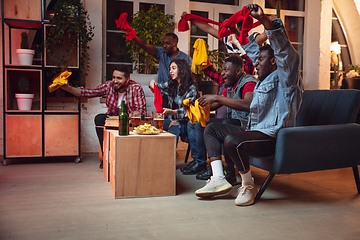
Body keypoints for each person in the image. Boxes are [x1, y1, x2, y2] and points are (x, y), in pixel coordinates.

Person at [195, 4, 303, 206]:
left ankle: (248, 185)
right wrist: (244, 26)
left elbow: (285, 52)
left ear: (274, 62)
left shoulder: (285, 78)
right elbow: (251, 49)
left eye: (261, 59)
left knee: (232, 140)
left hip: (274, 136)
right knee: (212, 129)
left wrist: (265, 21)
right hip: (256, 130)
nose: (257, 63)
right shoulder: (264, 77)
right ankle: (218, 178)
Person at [61, 64, 147, 169]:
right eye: (114, 77)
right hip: (112, 118)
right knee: (99, 118)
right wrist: (68, 88)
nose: (115, 81)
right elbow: (88, 92)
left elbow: (141, 111)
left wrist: (132, 115)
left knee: (140, 120)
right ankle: (106, 155)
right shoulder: (109, 86)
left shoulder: (136, 88)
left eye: (119, 78)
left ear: (127, 80)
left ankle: (132, 157)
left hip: (129, 119)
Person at [187, 54, 256, 181]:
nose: (222, 74)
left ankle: (228, 171)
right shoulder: (230, 86)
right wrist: (197, 106)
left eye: (226, 70)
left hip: (249, 127)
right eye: (222, 70)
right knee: (202, 124)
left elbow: (248, 104)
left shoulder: (249, 82)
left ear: (238, 71)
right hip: (235, 124)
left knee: (226, 122)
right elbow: (215, 105)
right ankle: (214, 168)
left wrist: (216, 97)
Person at [150, 59, 207, 174]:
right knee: (155, 124)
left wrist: (172, 112)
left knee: (174, 126)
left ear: (181, 70)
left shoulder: (191, 88)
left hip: (188, 121)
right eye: (170, 68)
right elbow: (157, 86)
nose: (170, 71)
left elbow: (188, 112)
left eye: (174, 68)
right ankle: (154, 158)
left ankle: (168, 161)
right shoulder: (173, 85)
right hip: (175, 119)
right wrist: (152, 83)